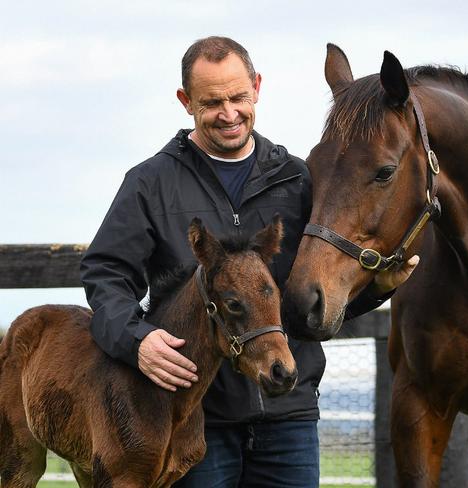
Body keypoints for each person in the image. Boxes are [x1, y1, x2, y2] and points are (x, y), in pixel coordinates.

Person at [80, 36, 418, 488]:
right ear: (185, 102)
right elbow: (105, 276)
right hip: (193, 419)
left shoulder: (298, 179)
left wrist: (378, 288)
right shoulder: (150, 183)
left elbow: (308, 307)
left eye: (238, 96)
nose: (229, 113)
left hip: (290, 415)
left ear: (257, 87)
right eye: (211, 102)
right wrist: (136, 341)